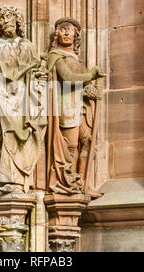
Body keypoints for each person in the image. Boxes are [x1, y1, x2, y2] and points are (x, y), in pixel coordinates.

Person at [0, 4, 47, 193]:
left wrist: (39, 86)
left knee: (24, 131)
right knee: (7, 131)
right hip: (2, 94)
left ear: (17, 22)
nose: (7, 21)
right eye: (3, 18)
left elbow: (38, 71)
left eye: (11, 18)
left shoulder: (28, 46)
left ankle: (20, 177)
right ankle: (9, 178)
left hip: (25, 96)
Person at [47, 17, 105, 197]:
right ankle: (66, 184)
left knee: (87, 143)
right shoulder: (55, 56)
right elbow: (69, 78)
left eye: (69, 30)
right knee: (71, 145)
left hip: (81, 107)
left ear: (76, 35)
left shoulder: (78, 60)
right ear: (57, 34)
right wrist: (90, 75)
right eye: (62, 30)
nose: (66, 33)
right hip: (66, 105)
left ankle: (82, 184)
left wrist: (92, 89)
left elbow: (81, 83)